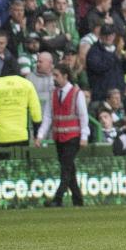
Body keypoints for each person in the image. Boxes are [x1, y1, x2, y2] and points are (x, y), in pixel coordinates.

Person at [0, 59, 42, 160]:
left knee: (2, 169)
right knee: (21, 168)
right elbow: (36, 111)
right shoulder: (27, 85)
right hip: (22, 136)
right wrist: (37, 133)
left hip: (1, 137)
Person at [46, 61, 88, 207]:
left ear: (65, 76)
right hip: (59, 137)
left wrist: (84, 136)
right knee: (69, 169)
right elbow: (48, 116)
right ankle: (78, 200)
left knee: (65, 168)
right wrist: (40, 135)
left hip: (72, 137)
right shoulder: (53, 94)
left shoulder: (77, 93)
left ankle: (58, 198)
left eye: (56, 75)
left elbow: (83, 116)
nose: (54, 78)